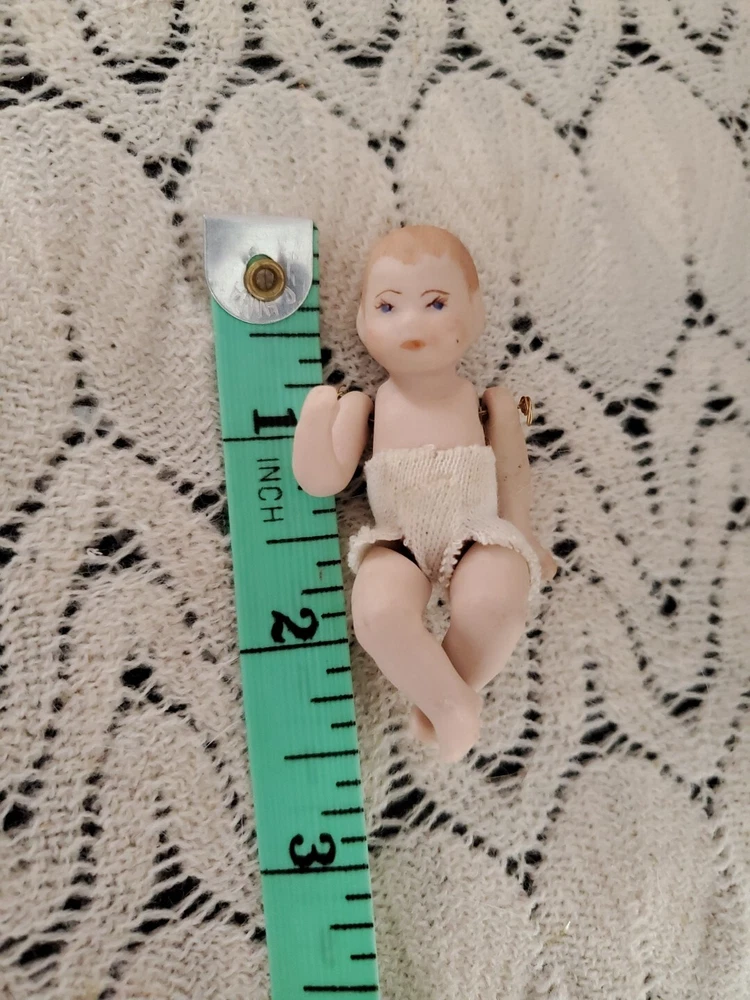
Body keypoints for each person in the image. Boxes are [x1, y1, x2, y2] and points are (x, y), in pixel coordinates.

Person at [293, 225, 556, 762]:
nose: (411, 324)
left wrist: (524, 534)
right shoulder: (364, 404)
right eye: (388, 307)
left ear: (476, 313)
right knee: (377, 610)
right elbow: (324, 480)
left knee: (497, 596)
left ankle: (445, 697)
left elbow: (512, 470)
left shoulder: (494, 403)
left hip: (474, 531)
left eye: (436, 303)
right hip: (400, 540)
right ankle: (454, 707)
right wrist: (318, 417)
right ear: (362, 320)